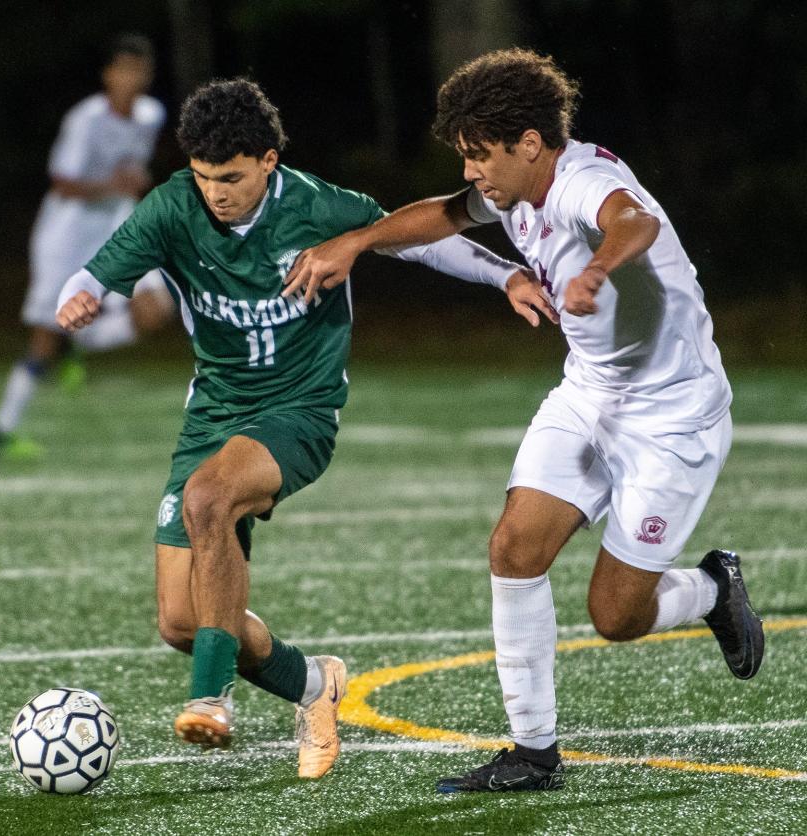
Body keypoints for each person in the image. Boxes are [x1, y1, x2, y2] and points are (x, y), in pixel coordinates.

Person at [283, 48, 764, 792]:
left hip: (673, 420)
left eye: (480, 155)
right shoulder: (513, 188)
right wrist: (356, 242)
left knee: (615, 614)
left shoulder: (582, 183)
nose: (472, 170)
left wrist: (598, 270)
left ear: (530, 144)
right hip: (590, 394)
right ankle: (533, 753)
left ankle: (711, 590)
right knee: (513, 549)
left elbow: (631, 221)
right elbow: (441, 215)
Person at [55, 77, 549, 778]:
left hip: (298, 412)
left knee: (207, 499)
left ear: (267, 161)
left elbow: (414, 242)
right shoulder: (173, 208)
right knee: (181, 622)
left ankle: (211, 700)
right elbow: (93, 273)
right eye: (203, 177)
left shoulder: (316, 206)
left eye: (230, 177)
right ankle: (315, 686)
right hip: (213, 414)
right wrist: (77, 298)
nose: (215, 193)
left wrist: (506, 277)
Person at [0, 33, 174, 461]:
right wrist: (114, 184)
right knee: (44, 338)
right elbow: (63, 182)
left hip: (116, 224)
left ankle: (81, 344)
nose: (131, 79)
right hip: (67, 231)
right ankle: (4, 427)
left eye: (139, 70)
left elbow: (133, 168)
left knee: (156, 310)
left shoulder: (151, 114)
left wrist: (132, 184)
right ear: (108, 75)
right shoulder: (85, 119)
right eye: (123, 70)